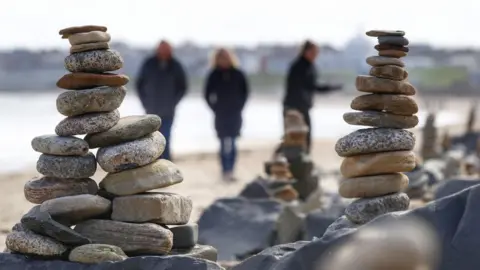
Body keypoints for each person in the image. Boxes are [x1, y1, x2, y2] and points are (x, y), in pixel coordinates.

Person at [283, 40, 342, 153]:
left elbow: (312, 86)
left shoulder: (310, 66)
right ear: (306, 51)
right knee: (292, 139)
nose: (316, 55)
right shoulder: (298, 67)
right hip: (294, 108)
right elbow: (310, 86)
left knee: (305, 139)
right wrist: (332, 88)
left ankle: (303, 164)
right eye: (314, 52)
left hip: (302, 107)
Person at [135, 40, 188, 161]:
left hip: (168, 110)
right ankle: (153, 161)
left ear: (170, 50)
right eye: (161, 49)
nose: (164, 51)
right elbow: (139, 85)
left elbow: (183, 87)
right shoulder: (149, 63)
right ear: (157, 49)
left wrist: (174, 102)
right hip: (151, 109)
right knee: (151, 138)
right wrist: (145, 102)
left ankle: (167, 161)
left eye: (166, 49)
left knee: (166, 137)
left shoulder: (176, 65)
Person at [204, 48, 249, 181]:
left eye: (226, 57)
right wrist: (214, 108)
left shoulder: (238, 73)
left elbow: (245, 92)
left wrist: (240, 106)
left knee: (233, 142)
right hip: (220, 114)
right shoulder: (214, 74)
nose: (224, 60)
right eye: (221, 57)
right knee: (223, 143)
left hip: (235, 113)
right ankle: (224, 170)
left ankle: (231, 170)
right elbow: (207, 94)